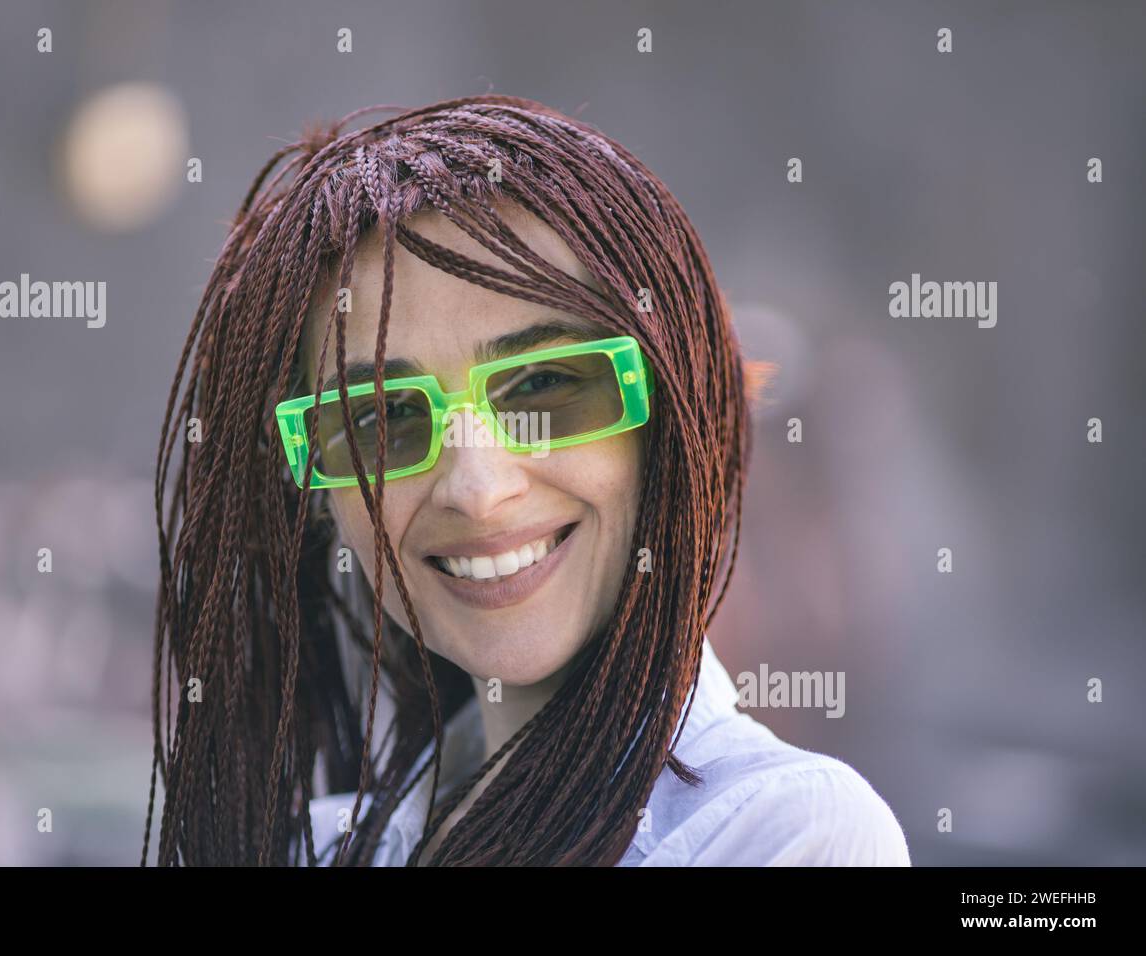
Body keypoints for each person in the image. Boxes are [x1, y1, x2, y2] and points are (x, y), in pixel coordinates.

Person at [144, 94, 911, 867]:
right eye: (383, 419)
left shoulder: (787, 831)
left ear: (672, 417)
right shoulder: (317, 848)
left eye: (545, 384)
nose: (476, 489)